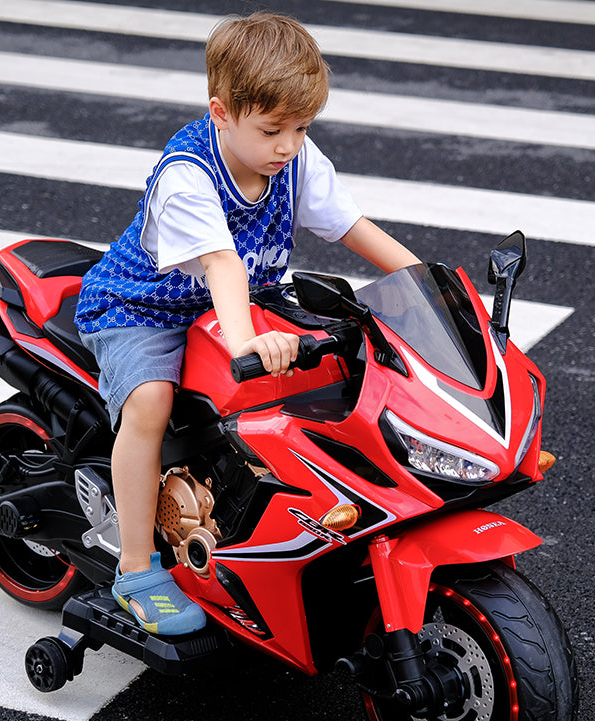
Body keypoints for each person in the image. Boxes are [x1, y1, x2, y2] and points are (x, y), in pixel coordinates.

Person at [74, 12, 421, 636]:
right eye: (272, 130)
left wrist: (430, 287)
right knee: (149, 403)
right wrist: (247, 342)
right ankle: (136, 569)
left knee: (335, 367)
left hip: (237, 304)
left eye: (302, 127)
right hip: (144, 309)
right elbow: (221, 263)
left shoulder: (293, 157)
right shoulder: (188, 175)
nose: (288, 145)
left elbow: (352, 227)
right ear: (222, 113)